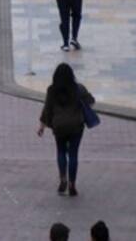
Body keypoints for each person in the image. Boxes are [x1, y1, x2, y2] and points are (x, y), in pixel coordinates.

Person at [37, 62, 96, 197]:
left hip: (59, 126)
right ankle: (72, 184)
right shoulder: (78, 89)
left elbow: (47, 109)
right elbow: (91, 101)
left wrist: (42, 126)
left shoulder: (52, 90)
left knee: (61, 151)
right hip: (76, 125)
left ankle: (63, 178)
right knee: (73, 154)